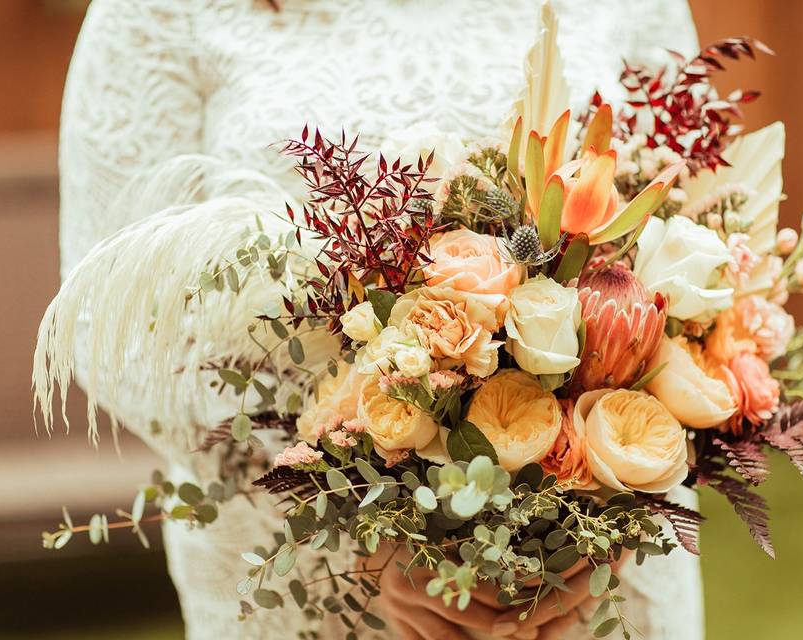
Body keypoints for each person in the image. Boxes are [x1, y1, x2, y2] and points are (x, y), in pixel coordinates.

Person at [38, 1, 703, 637]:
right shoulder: (157, 11)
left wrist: (591, 522)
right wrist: (359, 507)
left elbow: (702, 249)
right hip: (305, 566)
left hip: (596, 584)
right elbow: (107, 324)